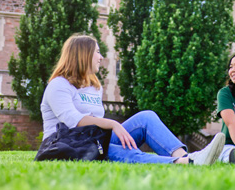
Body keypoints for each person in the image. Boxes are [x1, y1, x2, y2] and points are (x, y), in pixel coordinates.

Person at [39, 34, 225, 165]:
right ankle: (185, 163)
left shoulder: (93, 86)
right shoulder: (59, 85)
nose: (101, 57)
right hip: (66, 145)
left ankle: (186, 156)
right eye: (97, 52)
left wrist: (112, 127)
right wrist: (113, 124)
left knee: (147, 117)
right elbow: (73, 121)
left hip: (95, 139)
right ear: (83, 55)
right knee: (123, 152)